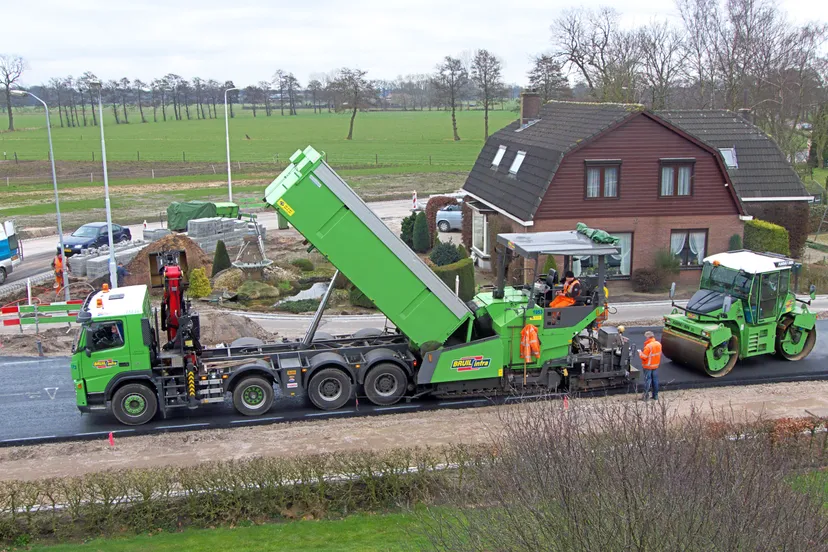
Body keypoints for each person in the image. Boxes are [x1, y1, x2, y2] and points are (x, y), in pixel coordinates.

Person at [638, 331, 662, 400]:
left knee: (647, 381)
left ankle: (645, 396)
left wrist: (640, 352)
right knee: (655, 380)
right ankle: (655, 396)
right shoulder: (658, 344)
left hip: (648, 366)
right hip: (655, 365)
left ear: (648, 337)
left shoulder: (648, 346)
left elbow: (644, 357)